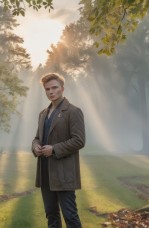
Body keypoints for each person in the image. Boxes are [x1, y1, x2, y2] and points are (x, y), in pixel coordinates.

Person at [32, 73, 85, 228]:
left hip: (64, 174)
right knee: (51, 216)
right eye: (47, 89)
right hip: (45, 174)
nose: (51, 92)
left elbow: (79, 140)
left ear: (62, 88)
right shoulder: (43, 114)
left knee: (70, 216)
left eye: (54, 87)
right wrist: (35, 147)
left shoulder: (74, 112)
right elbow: (36, 138)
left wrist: (54, 149)